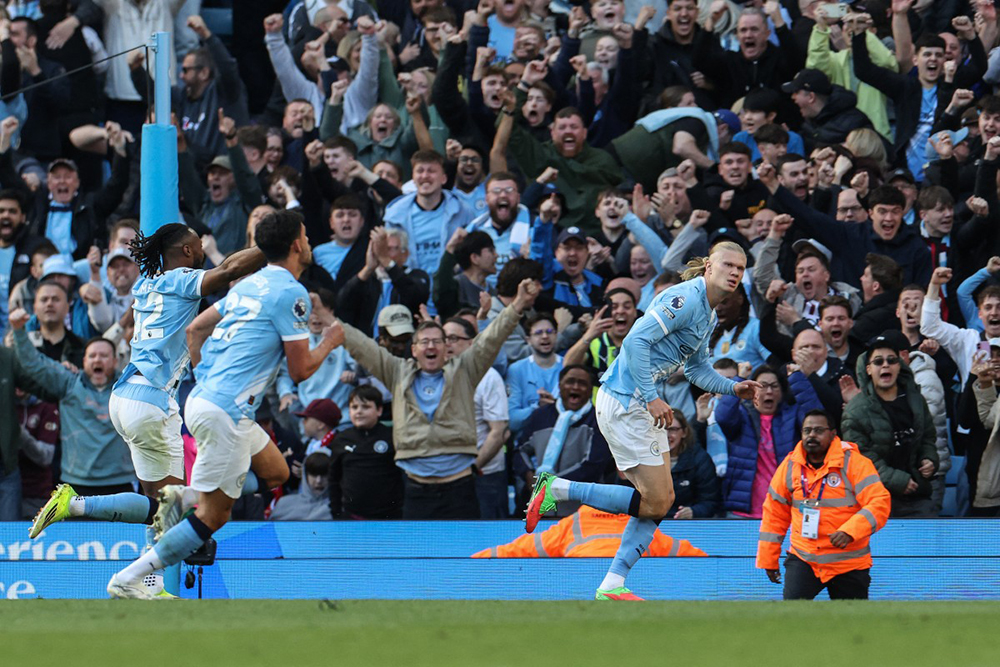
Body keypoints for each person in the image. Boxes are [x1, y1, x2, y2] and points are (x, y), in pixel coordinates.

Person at [106, 210, 344, 599]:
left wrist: (206, 377)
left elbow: (197, 327)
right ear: (297, 245)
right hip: (202, 406)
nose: (204, 251)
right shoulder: (197, 280)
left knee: (278, 472)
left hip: (187, 397)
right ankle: (132, 576)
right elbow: (300, 371)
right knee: (214, 515)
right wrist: (332, 340)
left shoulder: (175, 284)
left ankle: (189, 493)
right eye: (199, 245)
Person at [525, 242, 761, 601]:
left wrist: (732, 387)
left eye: (741, 269)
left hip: (634, 402)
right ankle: (557, 490)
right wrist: (651, 397)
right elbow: (635, 341)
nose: (734, 273)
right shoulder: (684, 298)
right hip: (629, 401)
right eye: (728, 264)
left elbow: (696, 369)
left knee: (658, 500)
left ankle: (612, 584)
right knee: (657, 500)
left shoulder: (708, 314)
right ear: (708, 267)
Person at [338, 277, 540, 519]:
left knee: (465, 555)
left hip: (460, 486)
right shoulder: (397, 372)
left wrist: (517, 304)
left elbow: (492, 338)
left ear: (446, 349)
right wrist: (330, 320)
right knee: (418, 556)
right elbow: (362, 346)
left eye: (437, 341)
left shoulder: (465, 370)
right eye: (424, 342)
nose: (430, 346)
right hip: (415, 488)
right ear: (413, 350)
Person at [756, 409, 890, 600]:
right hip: (805, 558)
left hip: (849, 563)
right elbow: (774, 514)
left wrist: (850, 531)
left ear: (833, 434)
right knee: (791, 620)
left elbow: (879, 502)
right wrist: (768, 559)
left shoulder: (856, 463)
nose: (811, 435)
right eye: (807, 430)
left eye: (818, 430)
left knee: (854, 625)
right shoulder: (789, 466)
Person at [841, 333, 939, 518]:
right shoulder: (855, 411)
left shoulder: (916, 400)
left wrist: (929, 459)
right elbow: (859, 458)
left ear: (898, 366)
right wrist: (898, 481)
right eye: (878, 362)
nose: (885, 365)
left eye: (891, 360)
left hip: (919, 494)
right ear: (869, 369)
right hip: (876, 499)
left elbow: (928, 437)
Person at [716, 364, 822, 518]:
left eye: (774, 386)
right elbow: (722, 416)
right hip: (743, 512)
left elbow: (816, 418)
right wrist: (740, 380)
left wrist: (797, 378)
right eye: (763, 386)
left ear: (782, 391)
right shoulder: (741, 416)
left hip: (786, 511)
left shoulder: (792, 417)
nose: (769, 391)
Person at [443, 316, 509, 518]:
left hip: (483, 475)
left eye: (453, 338)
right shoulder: (434, 376)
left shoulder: (488, 377)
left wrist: (470, 469)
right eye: (443, 338)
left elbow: (499, 432)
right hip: (443, 476)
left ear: (471, 343)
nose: (447, 344)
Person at [472, 504, 708, 558]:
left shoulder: (572, 523)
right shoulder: (640, 525)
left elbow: (517, 549)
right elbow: (685, 551)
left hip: (578, 585)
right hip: (629, 583)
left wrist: (473, 559)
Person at [328, 385, 403, 519]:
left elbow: (402, 476)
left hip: (388, 517)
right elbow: (334, 479)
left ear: (379, 410)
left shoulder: (392, 437)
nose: (359, 412)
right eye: (354, 407)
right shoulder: (341, 439)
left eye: (366, 407)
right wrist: (336, 513)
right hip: (352, 517)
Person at [506, 312, 563, 434]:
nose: (544, 336)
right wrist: (537, 407)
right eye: (538, 333)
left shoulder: (567, 365)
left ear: (556, 335)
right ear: (528, 340)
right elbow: (512, 420)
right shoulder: (517, 370)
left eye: (549, 331)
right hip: (528, 443)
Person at [664, 411, 720, 519]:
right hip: (649, 525)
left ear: (684, 432)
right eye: (661, 429)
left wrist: (694, 511)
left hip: (688, 526)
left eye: (672, 429)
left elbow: (711, 502)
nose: (666, 435)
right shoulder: (644, 460)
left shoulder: (700, 459)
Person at [269, 452, 333, 521]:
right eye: (313, 475)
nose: (318, 481)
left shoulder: (338, 507)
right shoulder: (284, 504)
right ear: (305, 476)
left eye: (324, 475)